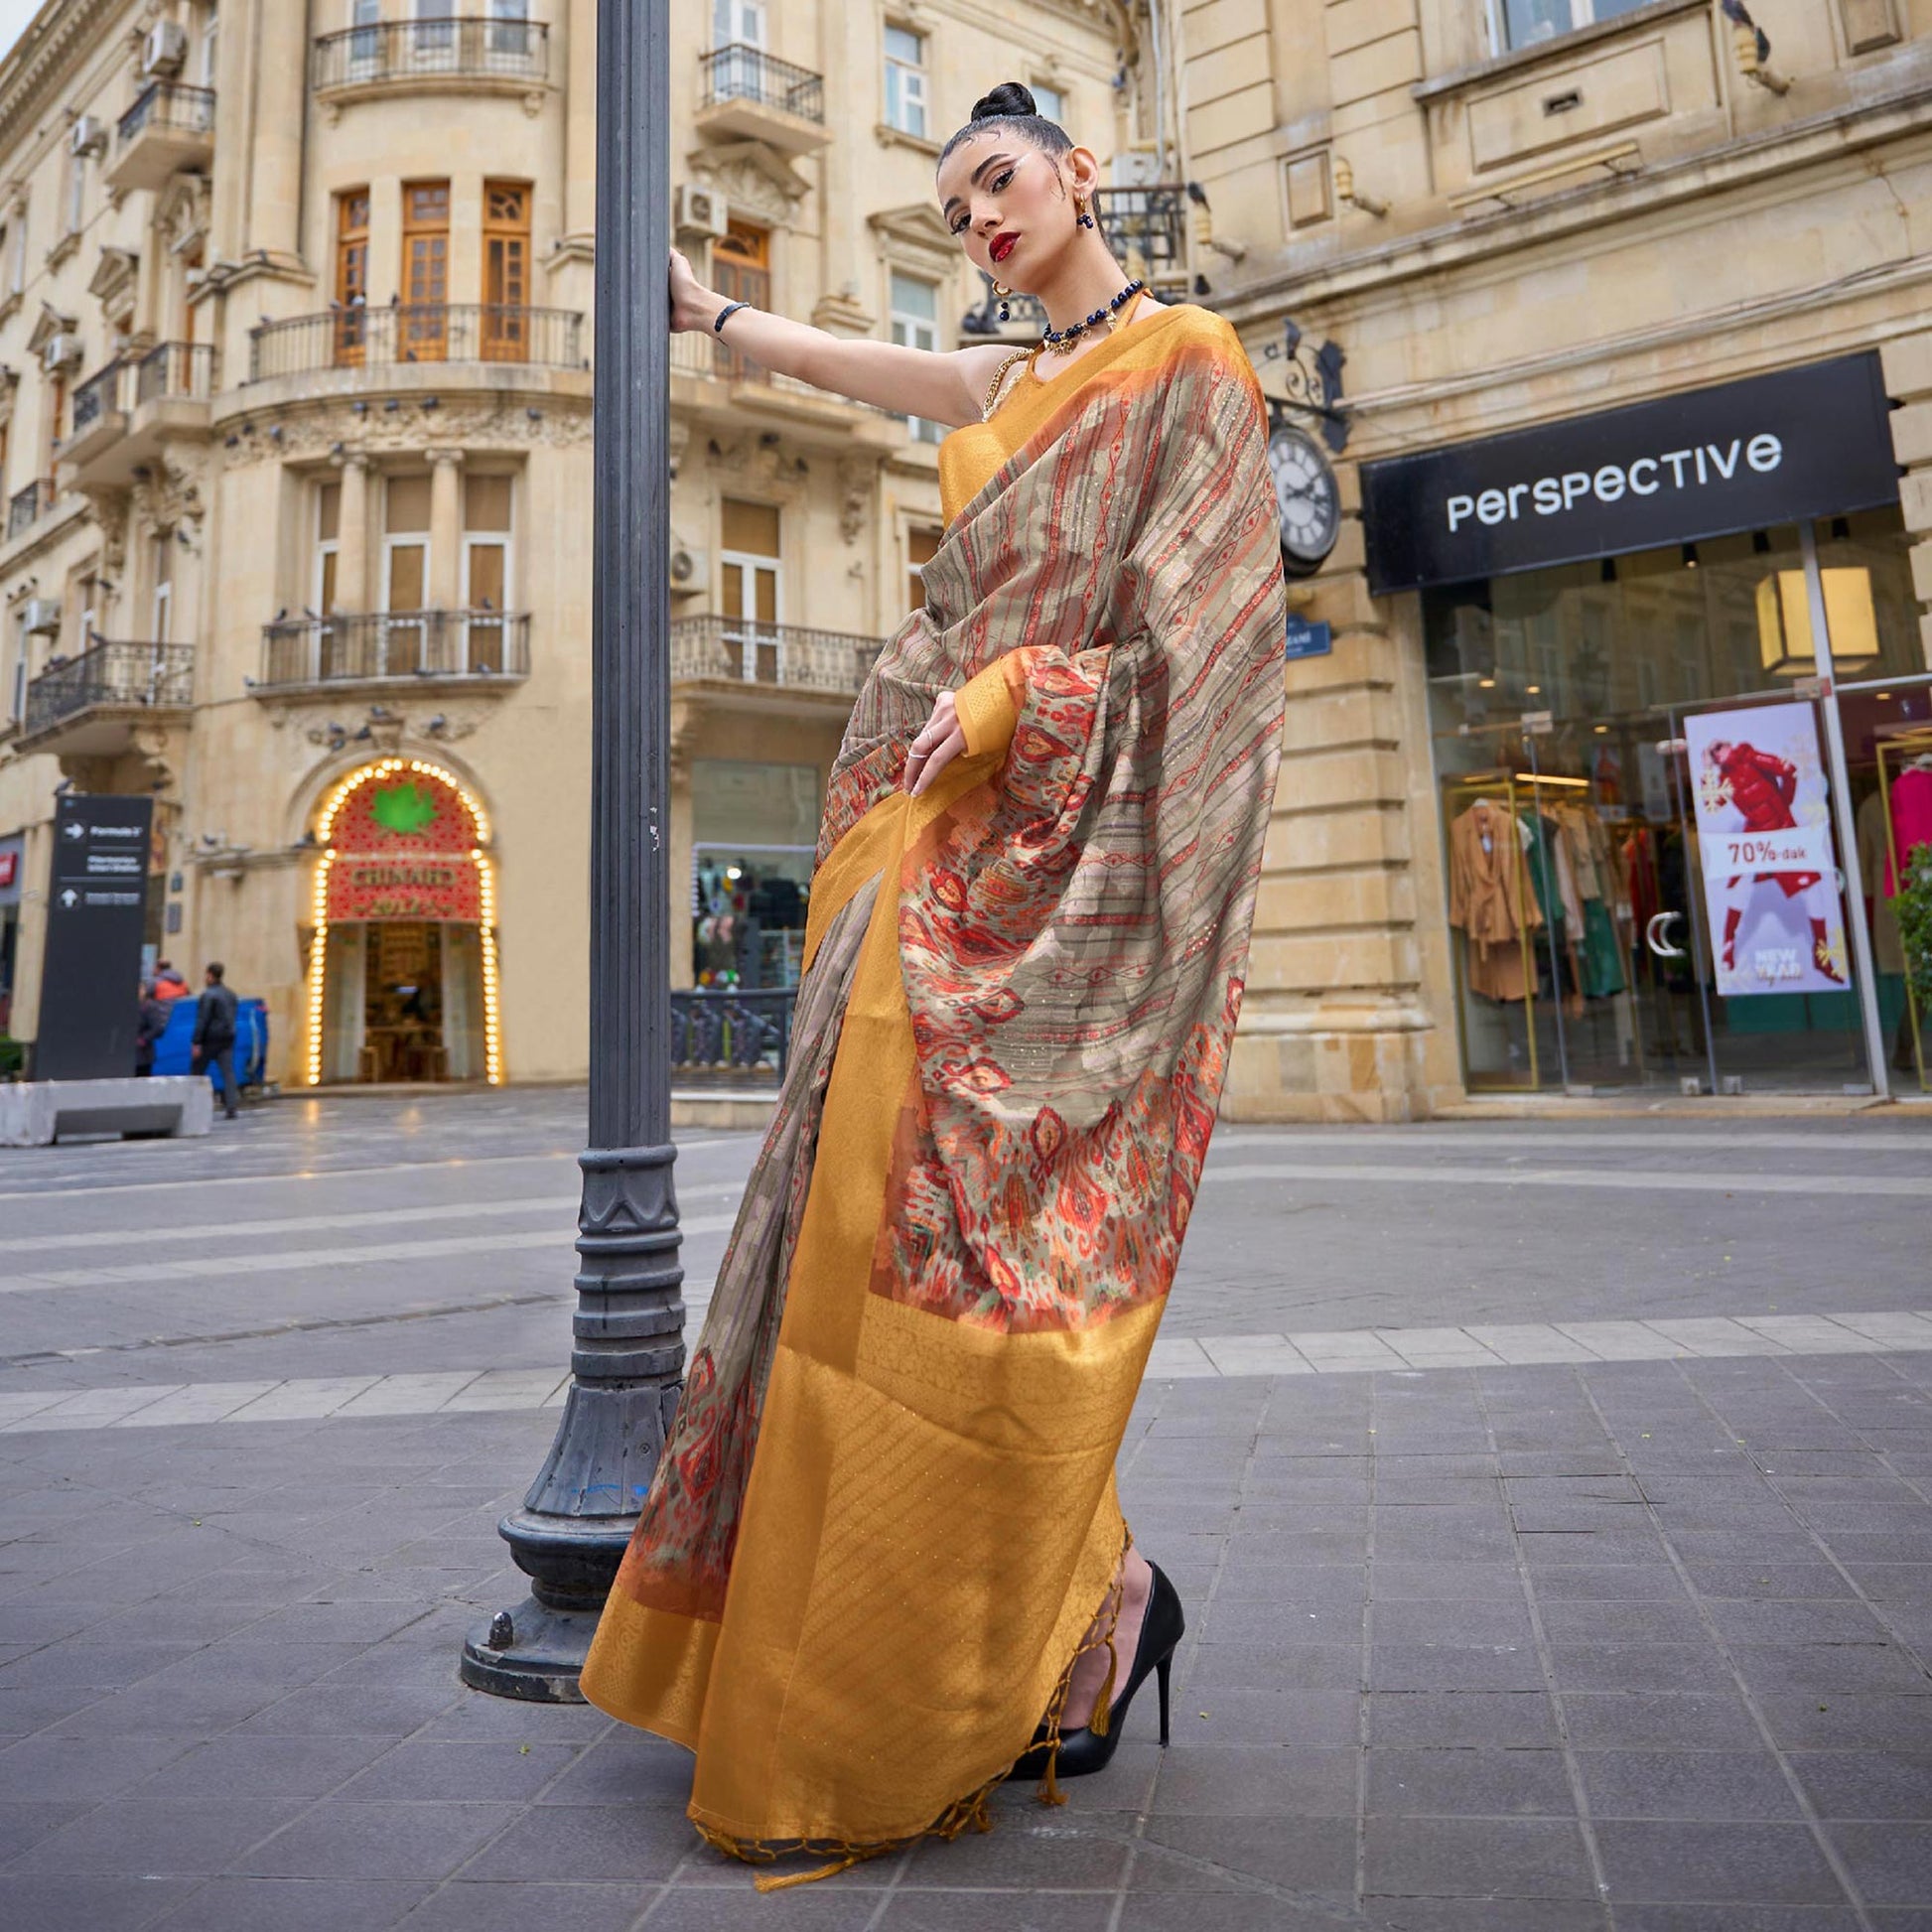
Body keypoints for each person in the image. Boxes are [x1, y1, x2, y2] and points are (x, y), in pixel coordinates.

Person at [580, 81, 1287, 1885]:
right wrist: (708, 314)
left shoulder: (1188, 360)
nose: (975, 211)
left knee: (982, 1261)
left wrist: (1022, 702)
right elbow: (858, 373)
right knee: (850, 1243)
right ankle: (1068, 1601)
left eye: (998, 177)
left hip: (1056, 859)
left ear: (1080, 170)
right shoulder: (1001, 388)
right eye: (953, 194)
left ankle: (1077, 1601)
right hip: (930, 857)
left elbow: (1203, 657)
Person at [190, 961, 240, 1119]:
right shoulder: (231, 994)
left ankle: (191, 1104)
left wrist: (197, 1041)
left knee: (196, 1072)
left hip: (210, 1039)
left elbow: (203, 1019)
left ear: (210, 975)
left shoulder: (208, 995)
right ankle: (231, 1106)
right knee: (228, 1073)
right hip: (227, 1038)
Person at [134, 980, 169, 1076]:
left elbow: (158, 1028)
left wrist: (143, 1039)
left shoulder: (149, 1006)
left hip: (143, 1055)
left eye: (141, 988)